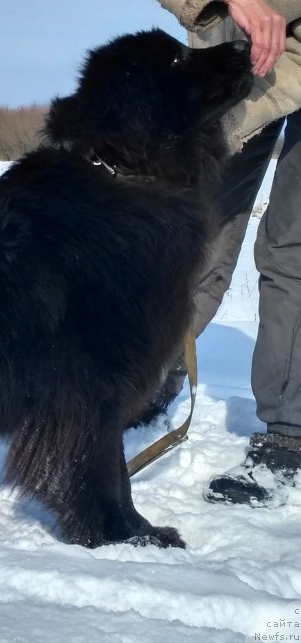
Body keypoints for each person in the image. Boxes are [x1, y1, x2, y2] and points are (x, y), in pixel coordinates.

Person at [154, 0, 301, 505]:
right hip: (233, 51)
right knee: (198, 226)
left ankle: (289, 432)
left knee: (292, 248)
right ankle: (156, 370)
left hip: (275, 58)